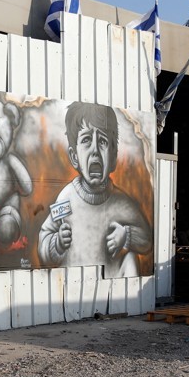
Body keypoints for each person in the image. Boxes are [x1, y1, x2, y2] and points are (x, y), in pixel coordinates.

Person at [38, 102, 151, 275]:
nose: (95, 150)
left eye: (103, 141)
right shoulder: (67, 199)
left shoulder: (122, 203)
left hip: (112, 283)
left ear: (113, 157)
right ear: (74, 156)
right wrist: (57, 242)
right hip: (74, 281)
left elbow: (147, 240)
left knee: (130, 260)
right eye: (86, 140)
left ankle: (129, 298)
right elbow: (44, 239)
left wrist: (126, 236)